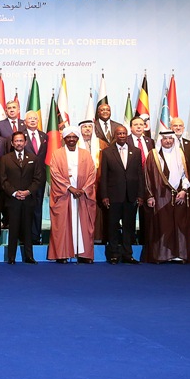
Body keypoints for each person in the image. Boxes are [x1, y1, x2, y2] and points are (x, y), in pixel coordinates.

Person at [141, 130, 190, 263]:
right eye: (165, 139)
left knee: (180, 225)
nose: (168, 141)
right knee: (162, 225)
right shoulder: (153, 155)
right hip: (160, 198)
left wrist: (184, 190)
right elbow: (147, 177)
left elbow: (186, 175)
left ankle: (180, 255)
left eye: (170, 139)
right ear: (160, 140)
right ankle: (161, 255)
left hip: (180, 196)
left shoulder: (181, 154)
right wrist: (149, 196)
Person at [48, 126, 97, 263]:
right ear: (64, 139)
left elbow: (92, 173)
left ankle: (83, 254)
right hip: (64, 194)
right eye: (68, 137)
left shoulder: (85, 154)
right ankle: (63, 254)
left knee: (84, 225)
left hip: (82, 195)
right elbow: (55, 173)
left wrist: (83, 189)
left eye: (73, 137)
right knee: (63, 224)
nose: (71, 139)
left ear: (77, 138)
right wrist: (70, 188)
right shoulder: (57, 154)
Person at [98, 126, 143, 264]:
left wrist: (140, 195)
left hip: (131, 196)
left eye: (124, 133)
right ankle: (113, 255)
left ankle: (128, 255)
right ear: (115, 136)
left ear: (127, 135)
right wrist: (104, 196)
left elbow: (140, 175)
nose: (122, 136)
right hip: (113, 196)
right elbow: (103, 176)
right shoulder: (106, 152)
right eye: (119, 134)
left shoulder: (136, 152)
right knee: (112, 227)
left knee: (129, 227)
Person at [0, 131, 44, 264]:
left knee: (27, 229)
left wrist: (28, 191)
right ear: (12, 143)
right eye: (16, 141)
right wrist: (14, 193)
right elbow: (3, 180)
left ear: (25, 142)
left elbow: (38, 179)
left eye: (21, 141)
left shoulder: (33, 158)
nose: (18, 143)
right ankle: (11, 257)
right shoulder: (6, 159)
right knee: (13, 228)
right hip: (12, 200)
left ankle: (29, 256)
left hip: (28, 199)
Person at [23, 111, 48, 244]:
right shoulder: (21, 136)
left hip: (40, 176)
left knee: (37, 206)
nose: (33, 120)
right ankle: (24, 236)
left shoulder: (44, 136)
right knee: (25, 207)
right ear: (25, 121)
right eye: (30, 119)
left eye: (35, 118)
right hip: (24, 176)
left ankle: (35, 235)